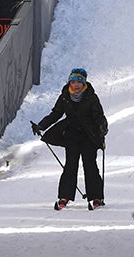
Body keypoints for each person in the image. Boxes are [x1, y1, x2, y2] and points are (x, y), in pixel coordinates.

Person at [33, 68, 108, 210]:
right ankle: (64, 197)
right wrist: (41, 126)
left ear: (84, 83)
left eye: (79, 82)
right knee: (70, 166)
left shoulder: (91, 97)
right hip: (71, 136)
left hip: (88, 136)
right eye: (73, 82)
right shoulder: (65, 96)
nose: (76, 85)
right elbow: (55, 114)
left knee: (90, 165)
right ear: (69, 82)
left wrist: (103, 127)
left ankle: (96, 197)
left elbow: (99, 116)